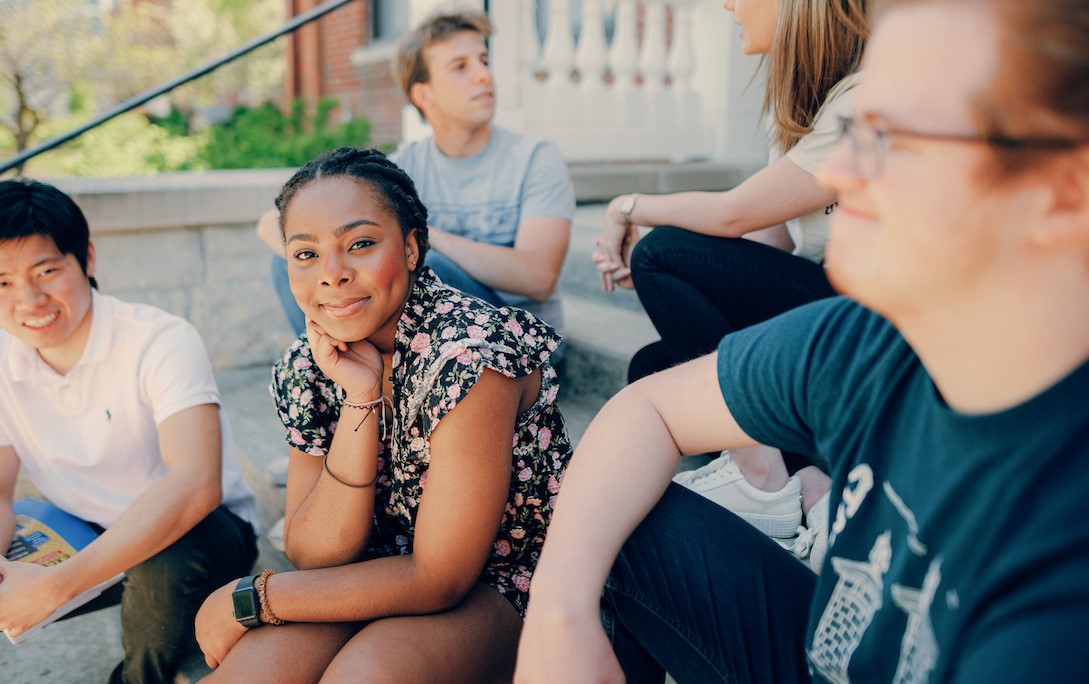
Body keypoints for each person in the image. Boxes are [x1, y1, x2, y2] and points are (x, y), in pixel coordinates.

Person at [515, 0, 1089, 680]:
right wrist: (558, 617)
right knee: (619, 504)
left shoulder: (1057, 583)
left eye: (894, 137)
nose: (841, 173)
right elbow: (645, 411)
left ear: (1061, 194)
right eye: (853, 129)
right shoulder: (869, 341)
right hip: (819, 649)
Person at [195, 147, 572, 682]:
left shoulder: (470, 356)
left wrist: (254, 596)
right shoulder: (309, 366)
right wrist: (360, 397)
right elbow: (314, 553)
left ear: (412, 247)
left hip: (504, 583)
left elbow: (439, 577)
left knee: (363, 677)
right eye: (305, 254)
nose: (332, 274)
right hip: (367, 574)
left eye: (361, 244)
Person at [598, 0, 869, 561]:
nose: (727, 4)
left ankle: (763, 476)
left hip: (866, 322)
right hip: (821, 304)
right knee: (656, 370)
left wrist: (628, 208)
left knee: (662, 251)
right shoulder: (802, 111)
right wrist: (689, 279)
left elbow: (732, 214)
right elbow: (767, 245)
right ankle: (812, 490)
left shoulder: (863, 99)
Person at [0, 179, 258, 684]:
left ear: (87, 258)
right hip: (83, 532)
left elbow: (194, 486)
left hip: (202, 536)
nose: (29, 299)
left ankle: (140, 678)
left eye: (47, 271)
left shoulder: (159, 340)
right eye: (2, 281)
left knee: (166, 552)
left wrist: (56, 587)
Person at [256, 8, 575, 359]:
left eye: (484, 61)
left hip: (521, 342)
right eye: (461, 67)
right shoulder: (405, 164)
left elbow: (539, 277)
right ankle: (344, 371)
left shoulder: (535, 158)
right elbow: (269, 225)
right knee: (288, 262)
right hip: (431, 339)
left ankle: (370, 376)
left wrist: (423, 236)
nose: (484, 75)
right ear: (424, 95)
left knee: (419, 261)